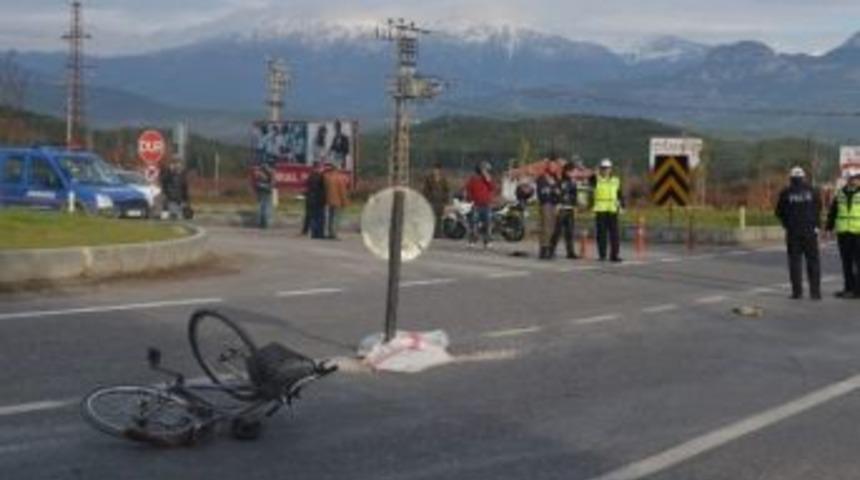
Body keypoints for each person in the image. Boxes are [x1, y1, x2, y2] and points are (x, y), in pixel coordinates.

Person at [775, 166, 822, 300]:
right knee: (813, 261)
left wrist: (787, 224)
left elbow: (779, 212)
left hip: (793, 232)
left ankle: (797, 292)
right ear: (803, 177)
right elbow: (819, 208)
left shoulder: (786, 192)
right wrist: (816, 225)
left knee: (795, 262)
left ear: (791, 178)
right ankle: (815, 293)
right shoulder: (813, 191)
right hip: (810, 231)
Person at [826, 172, 860, 299]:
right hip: (843, 233)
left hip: (858, 233)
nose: (853, 181)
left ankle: (857, 290)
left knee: (858, 263)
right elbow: (833, 211)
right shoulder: (840, 193)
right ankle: (848, 289)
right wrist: (828, 228)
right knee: (846, 262)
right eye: (851, 178)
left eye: (856, 178)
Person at [590, 158, 624, 262]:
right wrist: (595, 172)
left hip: (613, 210)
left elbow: (619, 194)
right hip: (600, 210)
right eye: (603, 168)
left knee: (615, 234)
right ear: (600, 169)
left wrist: (622, 206)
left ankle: (614, 255)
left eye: (607, 168)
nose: (605, 170)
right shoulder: (596, 180)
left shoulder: (616, 180)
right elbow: (591, 179)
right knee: (601, 234)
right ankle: (602, 255)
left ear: (611, 169)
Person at [551, 162, 579, 260]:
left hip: (570, 209)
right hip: (561, 208)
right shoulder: (560, 182)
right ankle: (551, 250)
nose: (574, 173)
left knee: (570, 232)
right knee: (557, 231)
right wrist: (557, 204)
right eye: (573, 171)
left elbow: (575, 196)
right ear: (567, 171)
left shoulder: (573, 183)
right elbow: (555, 194)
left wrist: (575, 207)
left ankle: (570, 252)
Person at [465, 161, 496, 248]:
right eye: (484, 169)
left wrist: (487, 179)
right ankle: (473, 240)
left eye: (486, 170)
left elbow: (492, 187)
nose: (485, 171)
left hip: (486, 204)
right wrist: (469, 199)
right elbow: (469, 189)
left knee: (488, 223)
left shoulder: (488, 179)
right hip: (476, 204)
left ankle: (487, 241)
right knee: (474, 223)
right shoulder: (473, 179)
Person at [536, 160, 561, 259]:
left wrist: (553, 189)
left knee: (553, 227)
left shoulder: (556, 178)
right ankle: (544, 250)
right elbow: (543, 192)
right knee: (546, 227)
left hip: (554, 204)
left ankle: (550, 249)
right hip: (546, 204)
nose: (553, 167)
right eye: (551, 166)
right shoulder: (542, 178)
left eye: (555, 166)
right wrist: (553, 189)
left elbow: (559, 192)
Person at [422, 163, 450, 238]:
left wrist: (446, 201)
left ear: (440, 170)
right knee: (431, 217)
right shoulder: (429, 178)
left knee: (439, 218)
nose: (435, 171)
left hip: (440, 201)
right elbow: (425, 190)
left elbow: (447, 190)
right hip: (431, 200)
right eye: (434, 169)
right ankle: (431, 233)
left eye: (437, 169)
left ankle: (438, 233)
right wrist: (425, 199)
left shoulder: (443, 179)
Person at [323, 164, 349, 239]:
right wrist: (345, 201)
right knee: (336, 218)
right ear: (337, 169)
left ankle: (330, 232)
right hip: (338, 201)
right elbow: (342, 191)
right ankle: (334, 234)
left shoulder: (326, 177)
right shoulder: (340, 178)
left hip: (329, 200)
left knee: (330, 217)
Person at [305, 163, 327, 239]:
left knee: (314, 217)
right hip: (319, 199)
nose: (321, 169)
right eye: (320, 168)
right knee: (320, 217)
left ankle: (314, 233)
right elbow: (322, 189)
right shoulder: (320, 177)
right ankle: (319, 233)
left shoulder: (310, 176)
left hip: (312, 199)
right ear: (317, 168)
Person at [253, 162, 275, 229]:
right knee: (262, 208)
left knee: (264, 208)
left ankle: (264, 223)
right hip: (263, 192)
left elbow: (272, 183)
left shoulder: (270, 173)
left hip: (266, 192)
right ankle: (262, 223)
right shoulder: (260, 173)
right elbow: (256, 183)